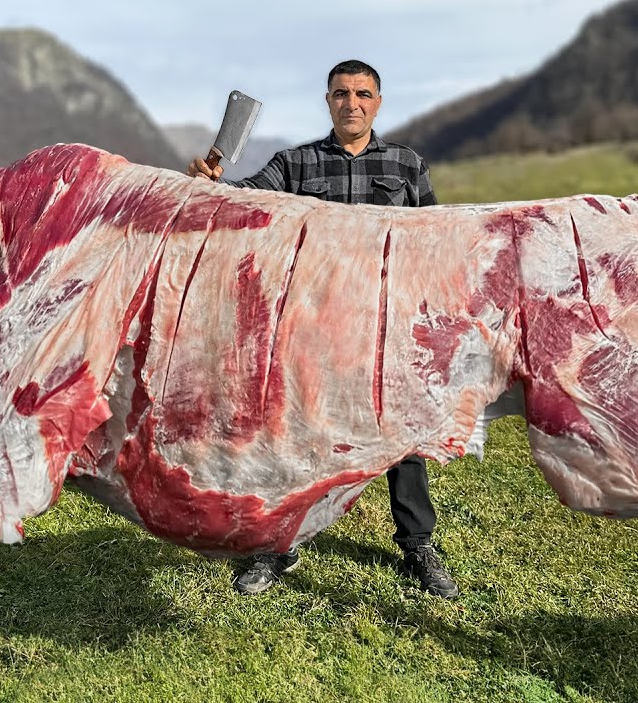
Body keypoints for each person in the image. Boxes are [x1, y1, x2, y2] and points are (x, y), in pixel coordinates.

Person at [185, 59, 457, 599]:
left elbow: (435, 240)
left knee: (402, 437)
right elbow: (248, 202)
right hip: (312, 325)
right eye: (341, 93)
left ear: (378, 102)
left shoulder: (406, 165)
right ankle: (277, 544)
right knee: (299, 432)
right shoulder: (296, 165)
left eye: (362, 94)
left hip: (385, 324)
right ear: (328, 101)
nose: (351, 103)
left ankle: (419, 545)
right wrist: (212, 187)